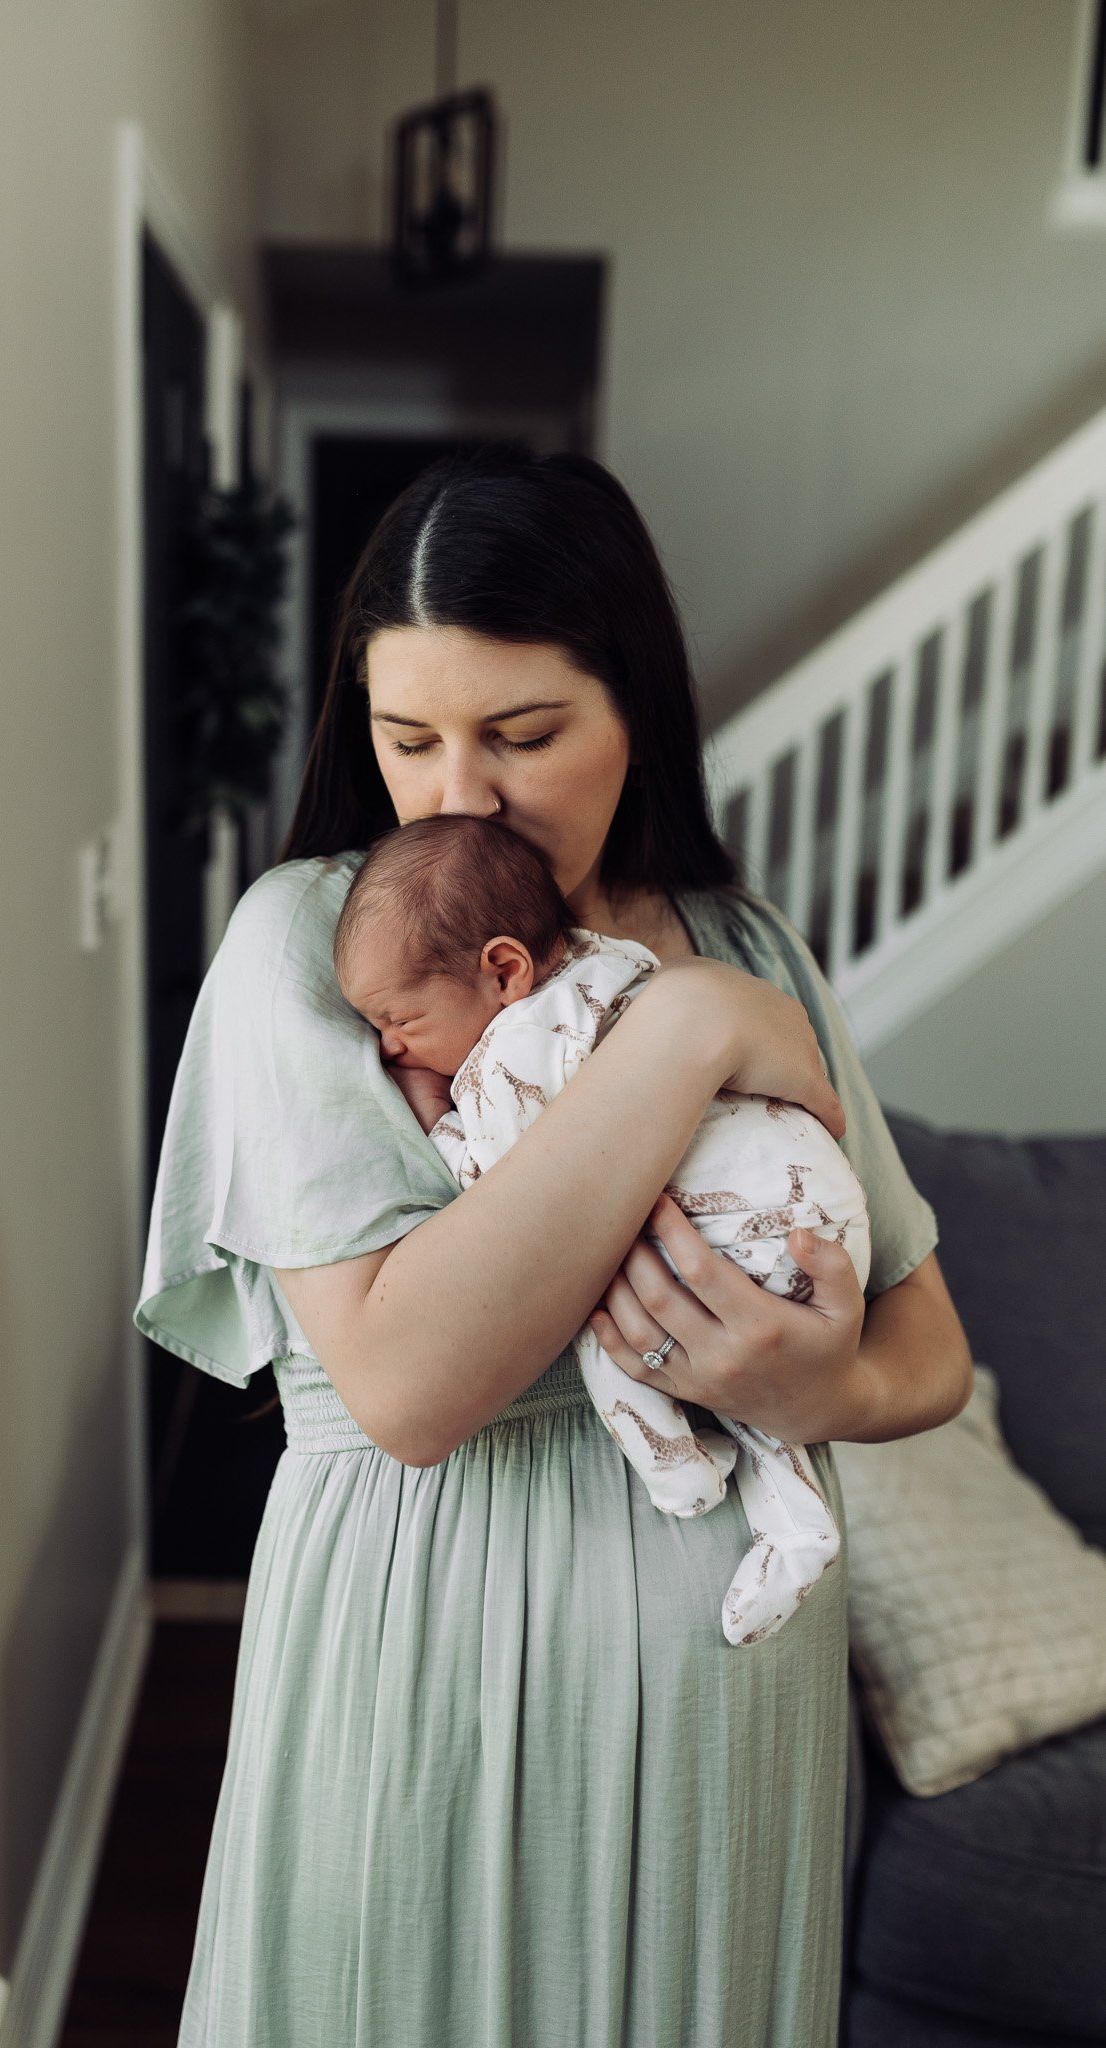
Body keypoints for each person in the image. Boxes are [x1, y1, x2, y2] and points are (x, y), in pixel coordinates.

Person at [136, 444, 973, 2047]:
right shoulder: (317, 952)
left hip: (726, 1709)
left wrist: (823, 1392)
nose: (460, 797)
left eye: (523, 736)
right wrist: (684, 1046)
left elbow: (925, 1349)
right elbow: (408, 1384)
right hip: (417, 1664)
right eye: (408, 738)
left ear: (631, 712)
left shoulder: (745, 943)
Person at [331, 810, 872, 1646]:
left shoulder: (513, 1053)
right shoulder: (614, 970)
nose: (389, 1049)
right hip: (814, 1213)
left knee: (606, 1330)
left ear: (503, 969)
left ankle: (685, 1474)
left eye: (400, 1020)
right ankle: (795, 1520)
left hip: (746, 1223)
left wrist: (439, 1121)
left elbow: (512, 1200)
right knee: (735, 1361)